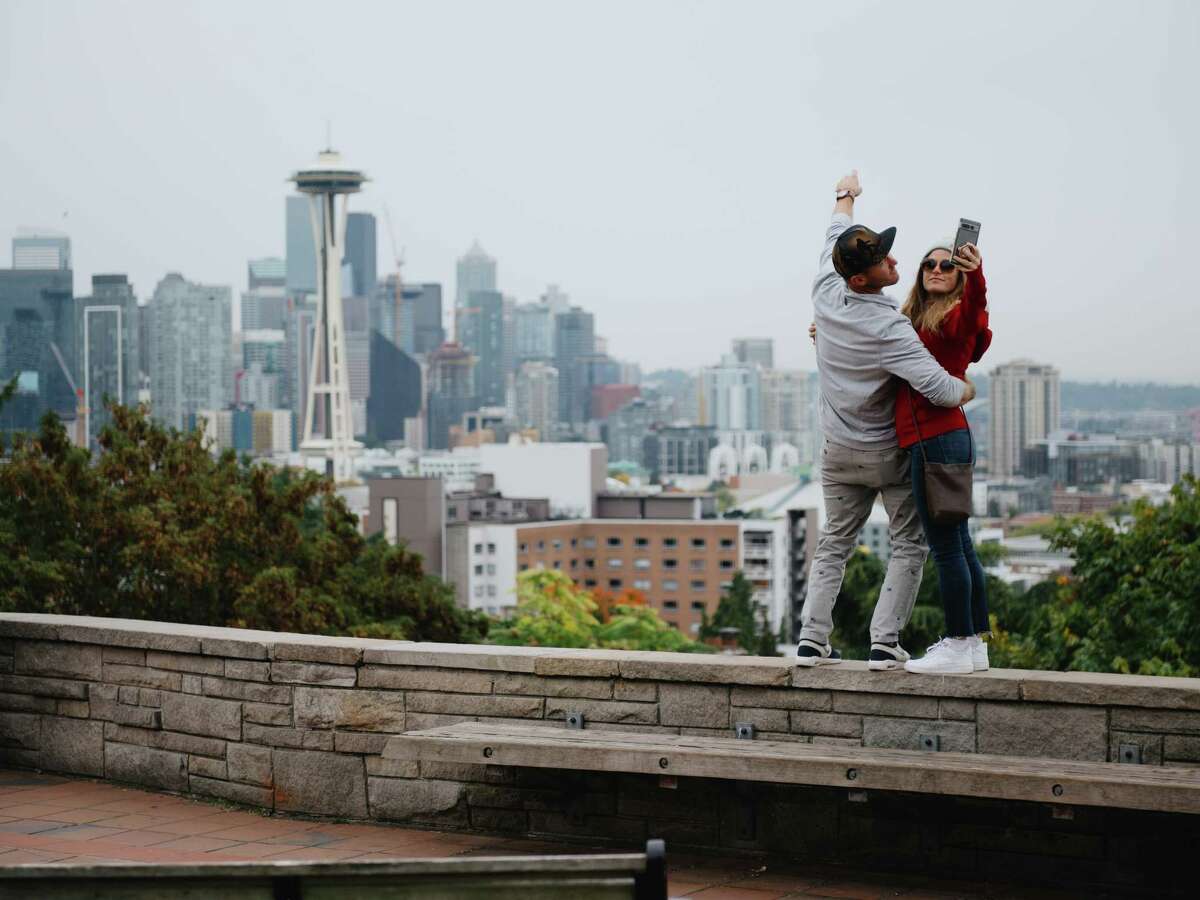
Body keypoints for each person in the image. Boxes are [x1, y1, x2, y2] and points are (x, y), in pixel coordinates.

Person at [798, 171, 975, 669]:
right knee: (909, 543)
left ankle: (812, 640)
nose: (895, 259)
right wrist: (970, 388)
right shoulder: (889, 327)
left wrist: (845, 195)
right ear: (860, 278)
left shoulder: (825, 288)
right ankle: (884, 642)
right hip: (886, 452)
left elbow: (836, 231)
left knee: (834, 543)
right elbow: (939, 388)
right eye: (882, 259)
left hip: (837, 449)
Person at [899, 239, 993, 674]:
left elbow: (974, 315)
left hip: (936, 439)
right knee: (960, 545)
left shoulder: (954, 318)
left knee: (946, 549)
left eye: (946, 265)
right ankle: (973, 643)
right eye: (929, 264)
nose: (936, 268)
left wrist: (975, 275)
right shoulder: (916, 320)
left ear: (957, 278)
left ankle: (957, 642)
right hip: (946, 437)